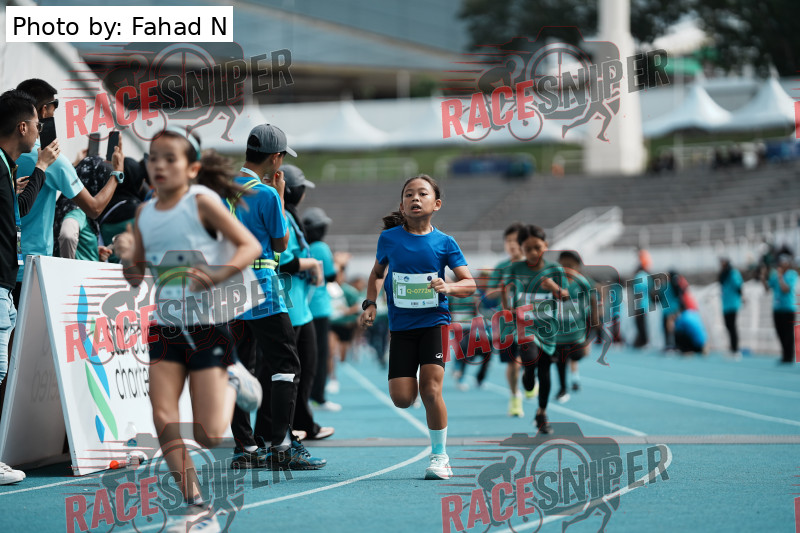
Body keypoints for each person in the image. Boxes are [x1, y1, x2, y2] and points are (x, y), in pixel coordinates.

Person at [113, 127, 263, 533]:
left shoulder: (201, 202)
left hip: (209, 327)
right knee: (163, 419)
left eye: (170, 159)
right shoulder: (144, 213)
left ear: (192, 168)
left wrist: (213, 275)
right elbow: (135, 278)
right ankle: (196, 507)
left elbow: (250, 246)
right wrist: (127, 255)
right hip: (165, 328)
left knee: (210, 434)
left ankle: (234, 379)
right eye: (153, 158)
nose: (159, 166)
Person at [359, 175, 475, 479]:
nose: (415, 198)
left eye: (423, 194)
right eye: (409, 194)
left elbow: (469, 283)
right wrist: (370, 303)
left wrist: (448, 287)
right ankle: (416, 401)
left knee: (431, 389)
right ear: (402, 205)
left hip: (435, 324)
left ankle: (440, 457)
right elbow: (377, 273)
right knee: (402, 399)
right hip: (401, 328)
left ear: (436, 204)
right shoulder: (389, 239)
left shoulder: (445, 242)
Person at [225, 124, 325, 471]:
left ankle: (245, 447)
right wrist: (279, 197)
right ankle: (282, 445)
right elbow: (281, 245)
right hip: (261, 283)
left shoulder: (221, 189)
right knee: (285, 365)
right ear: (276, 157)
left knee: (239, 366)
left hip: (228, 285)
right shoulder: (266, 194)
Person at [13, 79, 120, 303]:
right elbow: (94, 208)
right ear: (44, 110)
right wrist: (117, 174)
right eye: (55, 106)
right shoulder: (52, 161)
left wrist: (73, 166)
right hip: (30, 267)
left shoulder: (9, 151)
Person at [0, 89, 59, 484]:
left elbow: (16, 212)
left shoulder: (6, 166)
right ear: (22, 126)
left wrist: (36, 173)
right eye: (38, 123)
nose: (41, 130)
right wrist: (42, 166)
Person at [278, 163, 334, 441]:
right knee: (290, 373)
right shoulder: (282, 216)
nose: (304, 194)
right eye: (301, 188)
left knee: (306, 367)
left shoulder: (290, 215)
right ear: (293, 190)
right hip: (288, 306)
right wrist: (312, 264)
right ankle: (284, 431)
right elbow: (284, 261)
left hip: (300, 307)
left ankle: (303, 425)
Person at [500, 225, 568, 434]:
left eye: (537, 247)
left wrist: (554, 288)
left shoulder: (555, 270)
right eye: (528, 249)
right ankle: (528, 375)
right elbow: (504, 288)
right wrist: (507, 309)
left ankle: (542, 414)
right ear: (521, 248)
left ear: (545, 245)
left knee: (545, 370)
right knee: (530, 361)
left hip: (547, 328)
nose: (533, 253)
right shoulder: (516, 268)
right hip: (525, 326)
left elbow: (565, 296)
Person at [487, 223, 530, 416]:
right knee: (513, 363)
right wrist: (503, 289)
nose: (512, 245)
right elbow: (489, 294)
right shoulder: (501, 267)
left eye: (516, 241)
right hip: (507, 324)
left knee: (531, 358)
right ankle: (515, 397)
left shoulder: (534, 265)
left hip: (531, 323)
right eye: (508, 241)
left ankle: (531, 378)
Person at [303, 207, 342, 412]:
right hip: (319, 307)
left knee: (304, 354)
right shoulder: (320, 247)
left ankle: (305, 395)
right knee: (320, 354)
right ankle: (318, 396)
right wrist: (339, 263)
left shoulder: (302, 245)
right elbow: (332, 276)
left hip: (302, 306)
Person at [54, 156, 114, 261]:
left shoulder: (66, 203)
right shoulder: (79, 209)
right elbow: (67, 235)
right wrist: (68, 264)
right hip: (78, 271)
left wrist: (92, 252)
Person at [556, 251, 598, 398]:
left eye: (570, 265)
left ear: (577, 267)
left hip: (577, 329)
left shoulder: (584, 282)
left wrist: (594, 323)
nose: (566, 269)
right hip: (559, 330)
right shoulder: (554, 282)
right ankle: (563, 387)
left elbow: (594, 299)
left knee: (577, 354)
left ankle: (574, 376)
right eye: (563, 265)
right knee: (560, 359)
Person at [765, 254, 798, 364]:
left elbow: (785, 289)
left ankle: (789, 356)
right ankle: (784, 354)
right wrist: (763, 276)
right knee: (780, 332)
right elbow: (767, 288)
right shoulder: (775, 275)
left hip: (788, 308)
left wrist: (780, 277)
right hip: (777, 308)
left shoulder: (792, 274)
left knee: (788, 333)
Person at [718, 258, 743, 358]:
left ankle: (735, 349)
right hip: (726, 305)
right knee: (728, 326)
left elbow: (738, 286)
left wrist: (742, 297)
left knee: (732, 327)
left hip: (733, 303)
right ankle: (732, 347)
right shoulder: (723, 274)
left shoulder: (733, 273)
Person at [631, 250, 653, 348]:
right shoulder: (647, 276)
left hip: (641, 303)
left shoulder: (640, 276)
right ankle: (642, 340)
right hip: (645, 302)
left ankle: (643, 341)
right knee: (642, 322)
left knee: (640, 323)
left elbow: (637, 291)